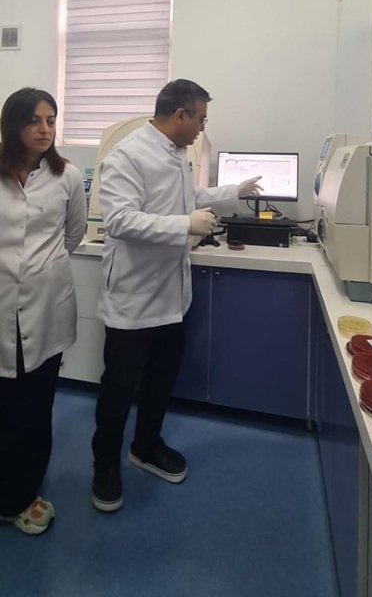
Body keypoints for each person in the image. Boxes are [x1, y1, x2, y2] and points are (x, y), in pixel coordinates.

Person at [91, 78, 262, 512]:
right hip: (133, 297)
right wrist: (185, 224)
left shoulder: (176, 153)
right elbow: (120, 220)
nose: (203, 127)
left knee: (161, 379)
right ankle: (105, 465)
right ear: (180, 115)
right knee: (118, 387)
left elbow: (189, 196)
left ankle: (145, 446)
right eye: (201, 119)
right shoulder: (127, 155)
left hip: (173, 294)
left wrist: (233, 192)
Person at [0, 87, 87, 535]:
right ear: (12, 124)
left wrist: (38, 269)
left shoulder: (66, 175)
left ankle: (21, 495)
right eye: (34, 120)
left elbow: (74, 234)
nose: (44, 129)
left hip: (46, 308)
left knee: (34, 409)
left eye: (51, 120)